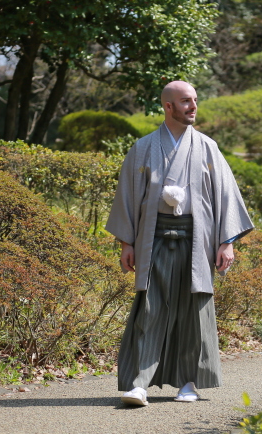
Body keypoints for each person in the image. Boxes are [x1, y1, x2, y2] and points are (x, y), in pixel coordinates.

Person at [105, 80, 253, 406]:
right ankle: (139, 384)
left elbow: (225, 196)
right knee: (150, 309)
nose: (193, 106)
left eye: (195, 100)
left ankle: (189, 382)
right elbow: (128, 197)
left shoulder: (207, 148)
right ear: (168, 106)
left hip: (196, 240)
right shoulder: (143, 148)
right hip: (153, 238)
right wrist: (126, 243)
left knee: (194, 312)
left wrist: (226, 243)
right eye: (185, 101)